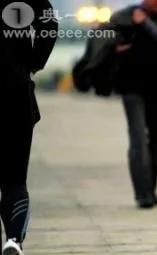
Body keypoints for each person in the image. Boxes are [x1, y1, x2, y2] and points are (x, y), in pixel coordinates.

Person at [0, 0, 58, 254]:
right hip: (15, 89)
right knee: (14, 178)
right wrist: (32, 63)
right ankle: (13, 239)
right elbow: (49, 24)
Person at [109, 0, 157, 209]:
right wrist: (116, 47)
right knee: (138, 138)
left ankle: (149, 187)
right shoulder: (124, 16)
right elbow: (108, 42)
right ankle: (142, 194)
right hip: (132, 87)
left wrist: (145, 23)